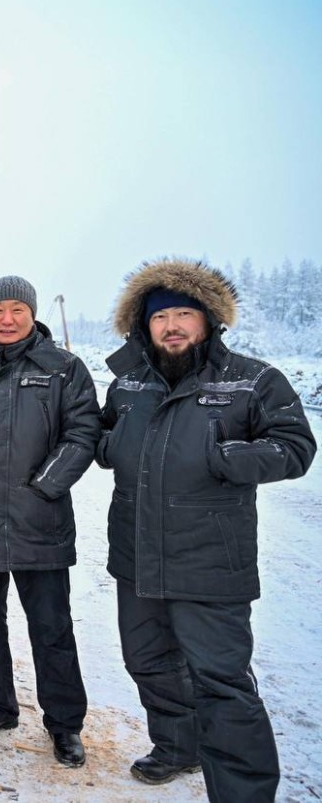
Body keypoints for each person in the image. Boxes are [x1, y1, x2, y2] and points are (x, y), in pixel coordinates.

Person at [96, 259, 315, 799]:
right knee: (146, 660)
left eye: (184, 314)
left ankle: (242, 793)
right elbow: (102, 436)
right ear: (143, 326)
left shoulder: (253, 378)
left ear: (207, 320)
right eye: (161, 316)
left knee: (222, 684)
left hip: (212, 560)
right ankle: (177, 746)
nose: (172, 325)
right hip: (137, 554)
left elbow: (295, 447)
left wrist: (226, 457)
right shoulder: (128, 384)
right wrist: (109, 447)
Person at [0, 275, 100, 768]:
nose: (7, 320)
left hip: (39, 521)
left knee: (51, 628)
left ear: (32, 315)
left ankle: (65, 724)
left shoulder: (63, 368)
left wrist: (45, 485)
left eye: (17, 310)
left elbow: (83, 431)